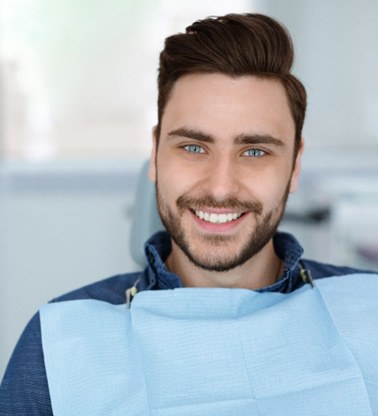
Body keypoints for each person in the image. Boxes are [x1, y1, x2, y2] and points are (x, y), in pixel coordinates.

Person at [1, 13, 377, 416]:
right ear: (155, 151)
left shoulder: (369, 312)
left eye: (255, 152)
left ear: (295, 165)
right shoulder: (60, 342)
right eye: (194, 147)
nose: (220, 187)